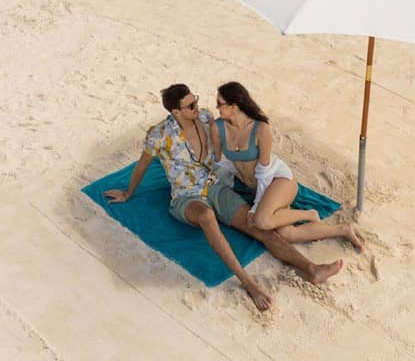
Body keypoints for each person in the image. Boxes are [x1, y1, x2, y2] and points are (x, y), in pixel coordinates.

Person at [104, 84, 344, 312]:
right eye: (189, 106)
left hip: (215, 186)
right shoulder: (158, 135)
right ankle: (248, 282)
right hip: (186, 197)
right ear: (175, 112)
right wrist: (128, 193)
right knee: (207, 216)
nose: (196, 107)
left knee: (258, 227)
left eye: (195, 101)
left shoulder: (207, 118)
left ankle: (312, 269)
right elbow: (142, 165)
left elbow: (234, 133)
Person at [212, 82, 364, 250]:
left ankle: (309, 214)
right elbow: (218, 161)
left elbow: (264, 173)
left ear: (234, 106)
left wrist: (256, 207)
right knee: (287, 234)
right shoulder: (217, 127)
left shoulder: (260, 128)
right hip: (256, 186)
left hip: (278, 180)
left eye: (220, 103)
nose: (216, 107)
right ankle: (343, 230)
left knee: (262, 220)